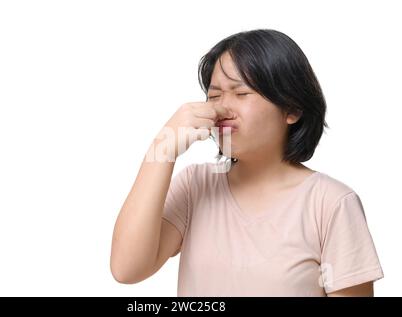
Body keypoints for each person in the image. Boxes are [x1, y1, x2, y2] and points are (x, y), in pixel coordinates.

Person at [110, 29, 384, 296]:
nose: (222, 109)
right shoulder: (195, 185)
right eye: (215, 96)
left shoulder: (331, 203)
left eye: (241, 94)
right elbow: (127, 269)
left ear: (292, 108)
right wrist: (163, 147)